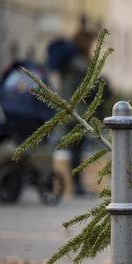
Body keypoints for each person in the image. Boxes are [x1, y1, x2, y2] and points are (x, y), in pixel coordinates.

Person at [47, 28, 103, 195]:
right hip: (75, 111)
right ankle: (75, 184)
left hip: (70, 109)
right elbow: (89, 79)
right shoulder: (76, 62)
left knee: (74, 148)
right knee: (75, 149)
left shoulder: (71, 62)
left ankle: (72, 183)